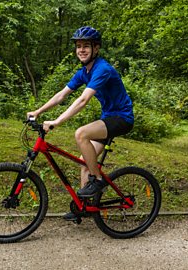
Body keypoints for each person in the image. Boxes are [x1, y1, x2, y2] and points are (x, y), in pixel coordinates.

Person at [27, 26, 134, 220]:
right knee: (85, 162)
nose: (81, 50)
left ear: (96, 49)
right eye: (78, 46)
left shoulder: (102, 69)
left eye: (86, 46)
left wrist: (56, 122)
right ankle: (83, 207)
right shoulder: (84, 72)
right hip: (108, 118)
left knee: (81, 133)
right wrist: (38, 111)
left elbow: (83, 100)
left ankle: (98, 180)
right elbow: (62, 95)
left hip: (122, 118)